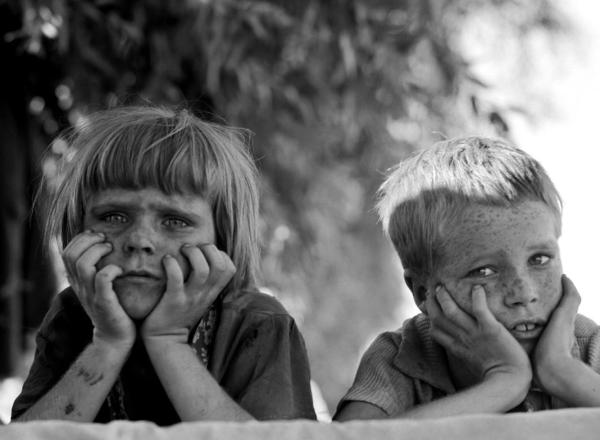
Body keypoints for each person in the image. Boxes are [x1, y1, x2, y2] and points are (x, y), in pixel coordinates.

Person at [11, 105, 316, 424]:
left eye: (175, 220)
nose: (139, 240)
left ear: (221, 241)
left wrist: (167, 341)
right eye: (113, 217)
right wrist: (108, 343)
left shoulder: (258, 323)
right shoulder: (71, 317)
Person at [335, 136, 600, 420]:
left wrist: (561, 372)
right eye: (484, 271)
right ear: (423, 293)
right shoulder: (402, 357)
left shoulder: (590, 346)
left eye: (540, 259)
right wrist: (505, 382)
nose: (524, 293)